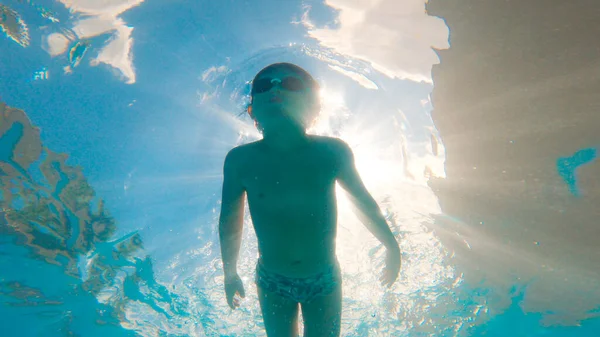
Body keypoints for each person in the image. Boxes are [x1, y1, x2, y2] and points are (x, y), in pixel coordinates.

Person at [218, 63, 401, 337]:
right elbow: (230, 222)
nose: (276, 87)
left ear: (314, 105)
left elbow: (364, 204)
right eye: (264, 86)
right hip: (272, 281)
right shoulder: (240, 160)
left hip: (323, 280)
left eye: (290, 83)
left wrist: (391, 245)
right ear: (252, 107)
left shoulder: (332, 152)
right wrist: (230, 273)